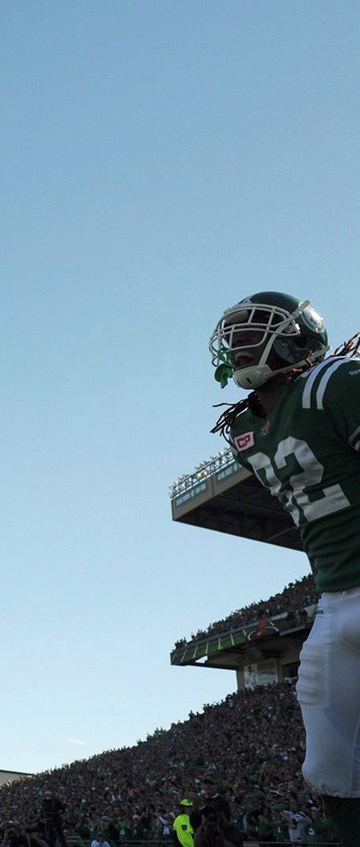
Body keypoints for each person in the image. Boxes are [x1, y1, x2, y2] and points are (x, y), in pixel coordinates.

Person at [209, 291, 360, 844]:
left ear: (300, 337)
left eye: (253, 332)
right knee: (328, 763)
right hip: (334, 599)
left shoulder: (336, 383)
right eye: (234, 338)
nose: (239, 345)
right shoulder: (245, 431)